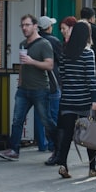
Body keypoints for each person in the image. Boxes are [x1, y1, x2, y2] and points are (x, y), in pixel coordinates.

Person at [0, 14, 56, 161]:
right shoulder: (22, 44)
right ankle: (13, 150)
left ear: (35, 26)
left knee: (46, 120)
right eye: (22, 25)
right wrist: (20, 81)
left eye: (27, 25)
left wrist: (32, 61)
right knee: (17, 120)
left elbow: (49, 65)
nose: (24, 28)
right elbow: (23, 65)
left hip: (40, 88)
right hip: (24, 89)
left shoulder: (44, 44)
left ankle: (58, 147)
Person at [52, 21, 96, 179]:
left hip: (67, 100)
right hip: (84, 100)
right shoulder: (88, 53)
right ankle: (92, 168)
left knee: (67, 134)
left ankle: (63, 165)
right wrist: (94, 99)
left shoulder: (65, 52)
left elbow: (63, 75)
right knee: (89, 135)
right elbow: (91, 78)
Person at [34, 15, 63, 163]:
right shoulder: (54, 41)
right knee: (52, 114)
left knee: (39, 114)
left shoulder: (33, 41)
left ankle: (41, 143)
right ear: (48, 27)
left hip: (36, 82)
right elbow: (61, 60)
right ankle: (53, 143)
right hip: (52, 82)